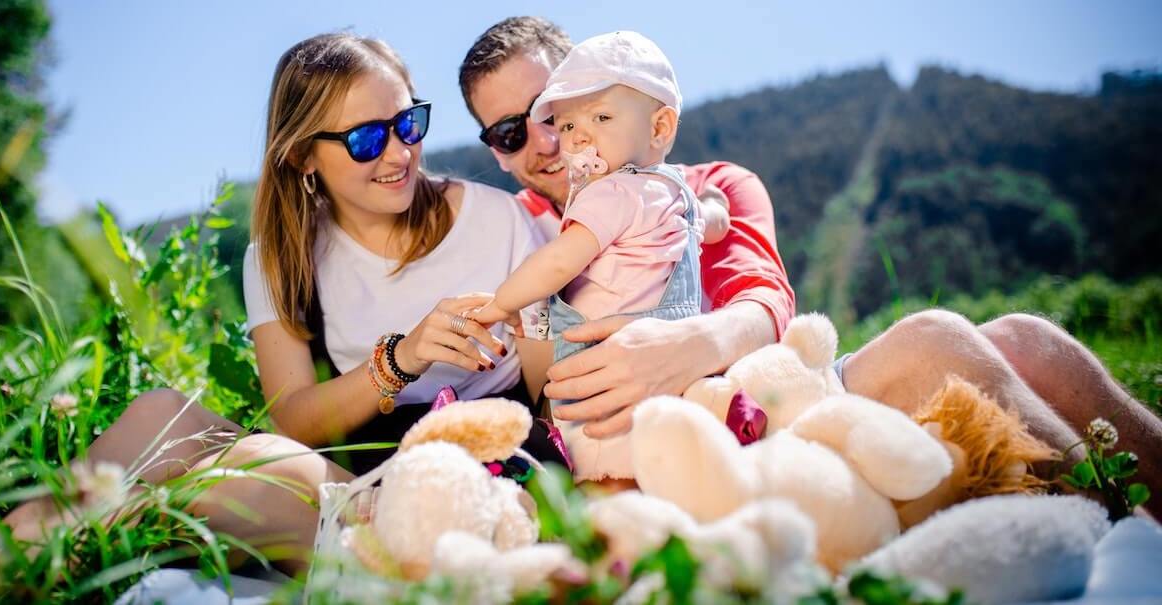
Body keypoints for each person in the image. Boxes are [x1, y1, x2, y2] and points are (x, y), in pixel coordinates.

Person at [458, 16, 1162, 517]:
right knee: (934, 342)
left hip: (763, 392)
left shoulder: (714, 183)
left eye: (561, 111)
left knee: (1027, 339)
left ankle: (1137, 523)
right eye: (513, 132)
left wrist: (689, 343)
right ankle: (1122, 534)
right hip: (666, 448)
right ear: (494, 149)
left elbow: (765, 302)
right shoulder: (519, 231)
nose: (552, 142)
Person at [0, 32, 568, 574]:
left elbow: (551, 399)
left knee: (245, 473)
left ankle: (58, 558)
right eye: (367, 138)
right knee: (159, 412)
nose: (398, 154)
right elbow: (295, 418)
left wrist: (532, 319)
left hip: (485, 472)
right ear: (302, 157)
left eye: (407, 123)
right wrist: (400, 358)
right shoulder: (280, 257)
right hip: (365, 469)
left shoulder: (498, 220)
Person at [471, 30, 729, 483]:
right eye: (568, 124)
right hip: (678, 374)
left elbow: (555, 265)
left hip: (607, 392)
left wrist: (498, 305)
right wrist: (716, 207)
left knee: (607, 471)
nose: (569, 141)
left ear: (659, 128)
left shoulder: (608, 194)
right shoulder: (674, 192)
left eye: (601, 117)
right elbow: (708, 223)